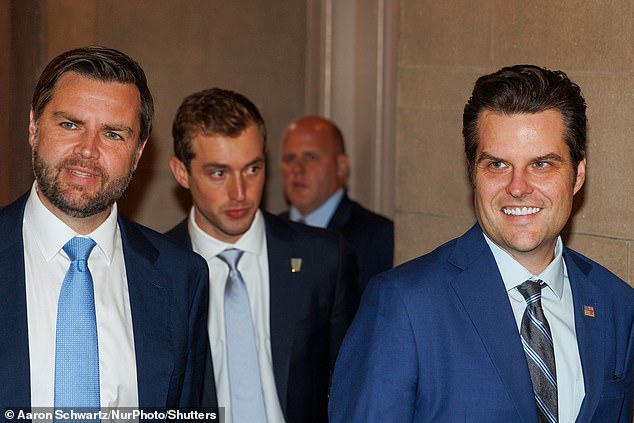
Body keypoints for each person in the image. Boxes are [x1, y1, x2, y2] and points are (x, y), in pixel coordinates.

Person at [329, 65, 634, 422]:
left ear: (577, 174)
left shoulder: (616, 305)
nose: (518, 187)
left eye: (541, 164)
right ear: (473, 172)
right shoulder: (404, 306)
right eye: (498, 164)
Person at [0, 46, 210, 413]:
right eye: (70, 125)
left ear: (139, 151)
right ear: (33, 127)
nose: (87, 150)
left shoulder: (181, 278)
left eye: (113, 134)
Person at [166, 88, 359, 423]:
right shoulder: (156, 271)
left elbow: (352, 382)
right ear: (182, 172)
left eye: (252, 169)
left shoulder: (323, 258)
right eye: (218, 173)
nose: (240, 193)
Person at [280, 115, 393, 290]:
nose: (297, 168)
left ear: (341, 167)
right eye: (289, 158)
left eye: (310, 157)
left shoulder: (377, 236)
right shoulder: (270, 229)